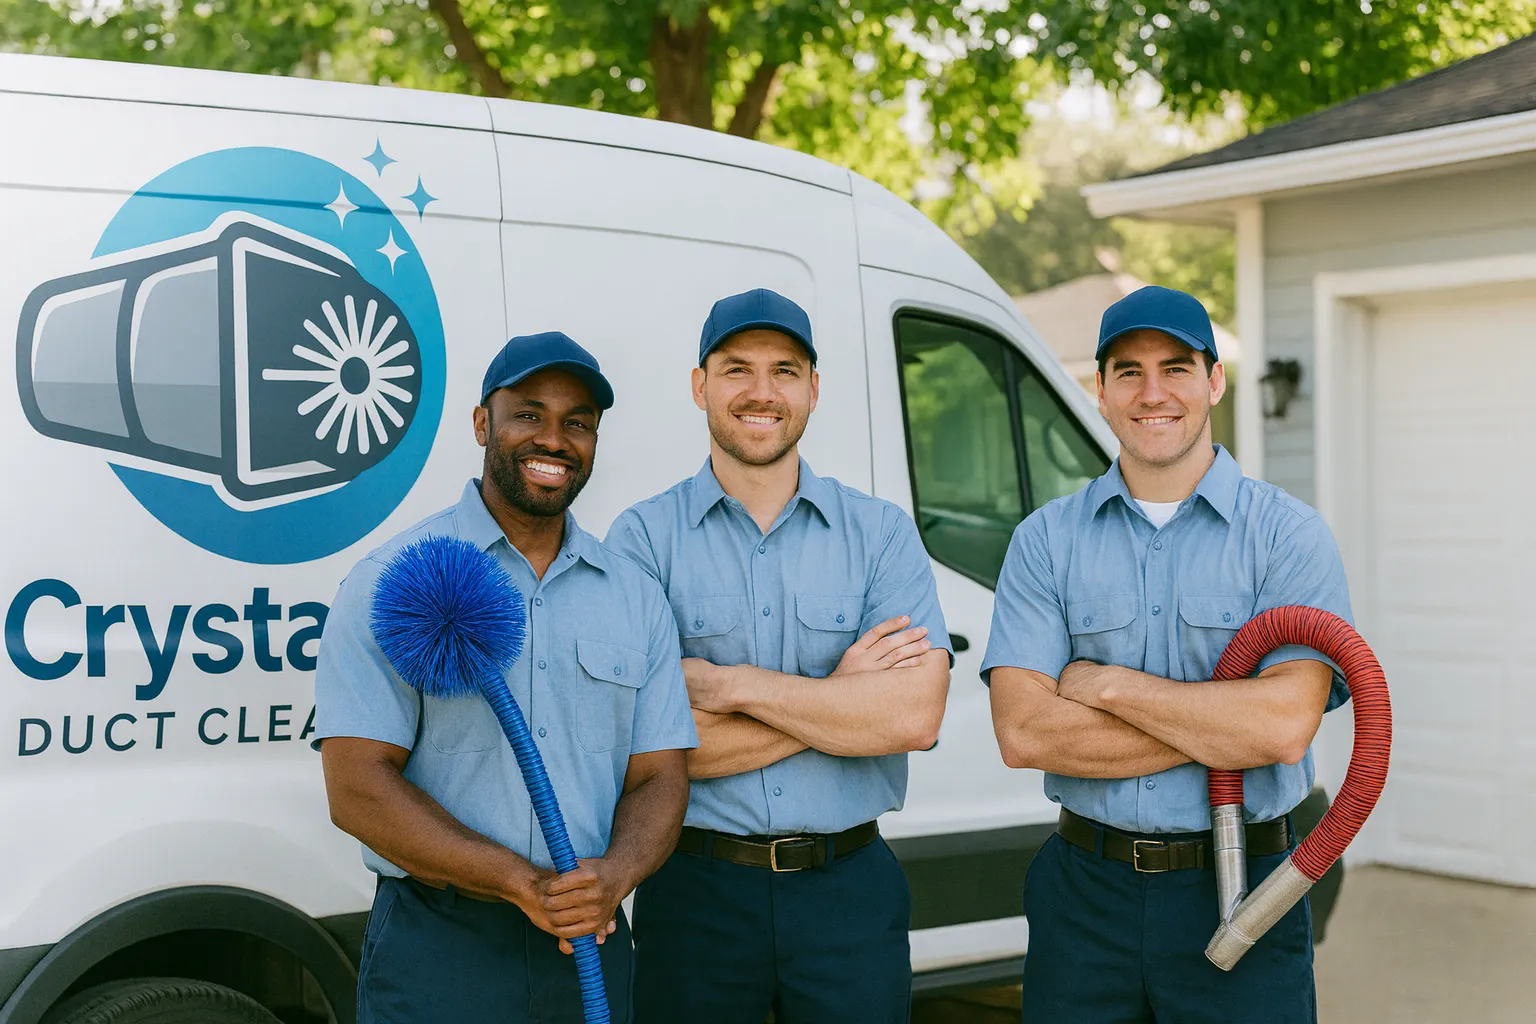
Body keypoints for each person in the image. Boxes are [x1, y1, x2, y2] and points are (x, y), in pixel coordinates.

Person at [984, 285, 1352, 1023]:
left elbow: (1281, 728)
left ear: (1214, 380)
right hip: (1085, 896)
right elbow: (1025, 733)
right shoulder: (1046, 541)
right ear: (1102, 390)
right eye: (1129, 371)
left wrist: (1109, 687)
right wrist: (1218, 724)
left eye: (1177, 368)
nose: (1153, 392)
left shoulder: (1287, 536)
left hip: (1248, 891)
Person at [313, 332, 696, 1024]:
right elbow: (357, 788)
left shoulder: (635, 597)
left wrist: (614, 877)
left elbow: (660, 776)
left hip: (591, 943)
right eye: (528, 413)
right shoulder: (393, 582)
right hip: (441, 948)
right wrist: (519, 882)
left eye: (577, 422)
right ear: (482, 422)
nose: (554, 438)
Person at [604, 288, 952, 1023]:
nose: (761, 392)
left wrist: (724, 685)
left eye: (785, 370)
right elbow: (634, 747)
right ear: (700, 385)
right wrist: (840, 701)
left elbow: (913, 717)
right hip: (694, 894)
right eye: (737, 369)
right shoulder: (641, 541)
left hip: (848, 894)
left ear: (813, 390)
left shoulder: (881, 536)